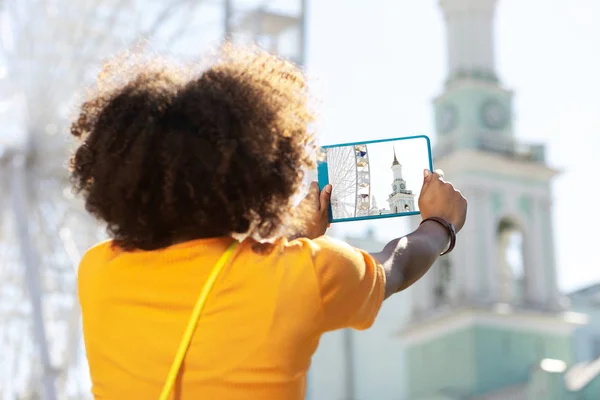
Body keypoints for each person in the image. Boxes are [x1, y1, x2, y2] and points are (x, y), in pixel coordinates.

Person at [71, 45, 467, 399]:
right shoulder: (306, 273)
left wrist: (290, 234)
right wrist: (438, 224)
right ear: (262, 171)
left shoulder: (97, 272)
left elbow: (213, 274)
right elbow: (394, 267)